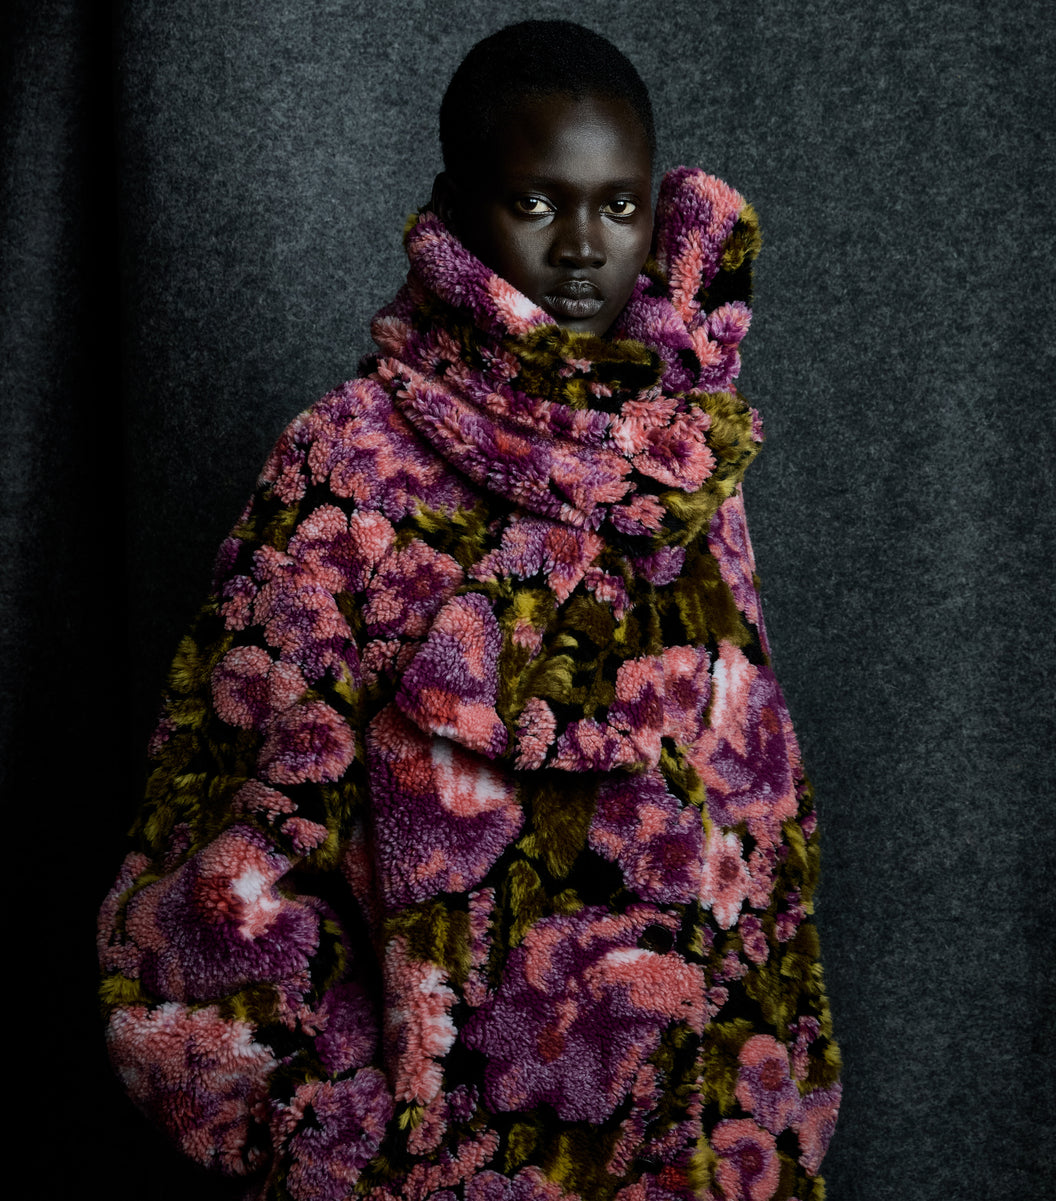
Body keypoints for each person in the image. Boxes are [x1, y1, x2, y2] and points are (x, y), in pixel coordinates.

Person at [98, 20, 842, 1201]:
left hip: (680, 1147)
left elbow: (753, 804)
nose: (588, 249)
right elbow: (230, 825)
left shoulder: (686, 462)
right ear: (454, 207)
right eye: (538, 206)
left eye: (619, 206)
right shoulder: (347, 461)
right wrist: (340, 1134)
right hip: (441, 1151)